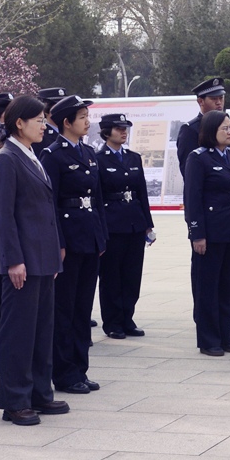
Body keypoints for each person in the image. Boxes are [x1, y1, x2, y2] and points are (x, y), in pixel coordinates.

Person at [0, 95, 67, 426]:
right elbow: (4, 215)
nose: (43, 125)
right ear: (19, 123)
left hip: (42, 257)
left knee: (41, 330)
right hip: (23, 259)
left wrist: (54, 252)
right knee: (18, 332)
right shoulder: (7, 159)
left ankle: (39, 392)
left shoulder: (31, 155)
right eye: (38, 120)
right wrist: (13, 260)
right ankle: (15, 400)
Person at [42, 95, 106, 394]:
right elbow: (50, 204)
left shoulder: (89, 153)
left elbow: (97, 200)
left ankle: (80, 368)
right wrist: (58, 242)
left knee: (83, 309)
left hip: (89, 237)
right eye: (82, 117)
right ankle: (64, 373)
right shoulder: (53, 156)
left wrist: (101, 235)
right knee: (64, 310)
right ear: (66, 122)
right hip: (69, 239)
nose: (87, 122)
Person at [184, 110, 230, 356]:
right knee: (207, 287)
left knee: (227, 287)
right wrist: (197, 234)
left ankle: (225, 336)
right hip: (210, 232)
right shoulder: (198, 158)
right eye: (225, 128)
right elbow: (193, 199)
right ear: (211, 131)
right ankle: (209, 339)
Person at [95, 113, 152, 339]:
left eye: (125, 128)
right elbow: (98, 196)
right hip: (112, 224)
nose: (123, 132)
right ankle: (112, 322)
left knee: (132, 275)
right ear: (106, 132)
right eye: (118, 128)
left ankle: (128, 318)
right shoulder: (98, 159)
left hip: (134, 222)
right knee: (111, 275)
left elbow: (142, 192)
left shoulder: (133, 158)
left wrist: (148, 224)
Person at [173, 77, 226, 168]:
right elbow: (188, 167)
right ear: (201, 101)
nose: (219, 102)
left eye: (221, 98)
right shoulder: (190, 130)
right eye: (214, 99)